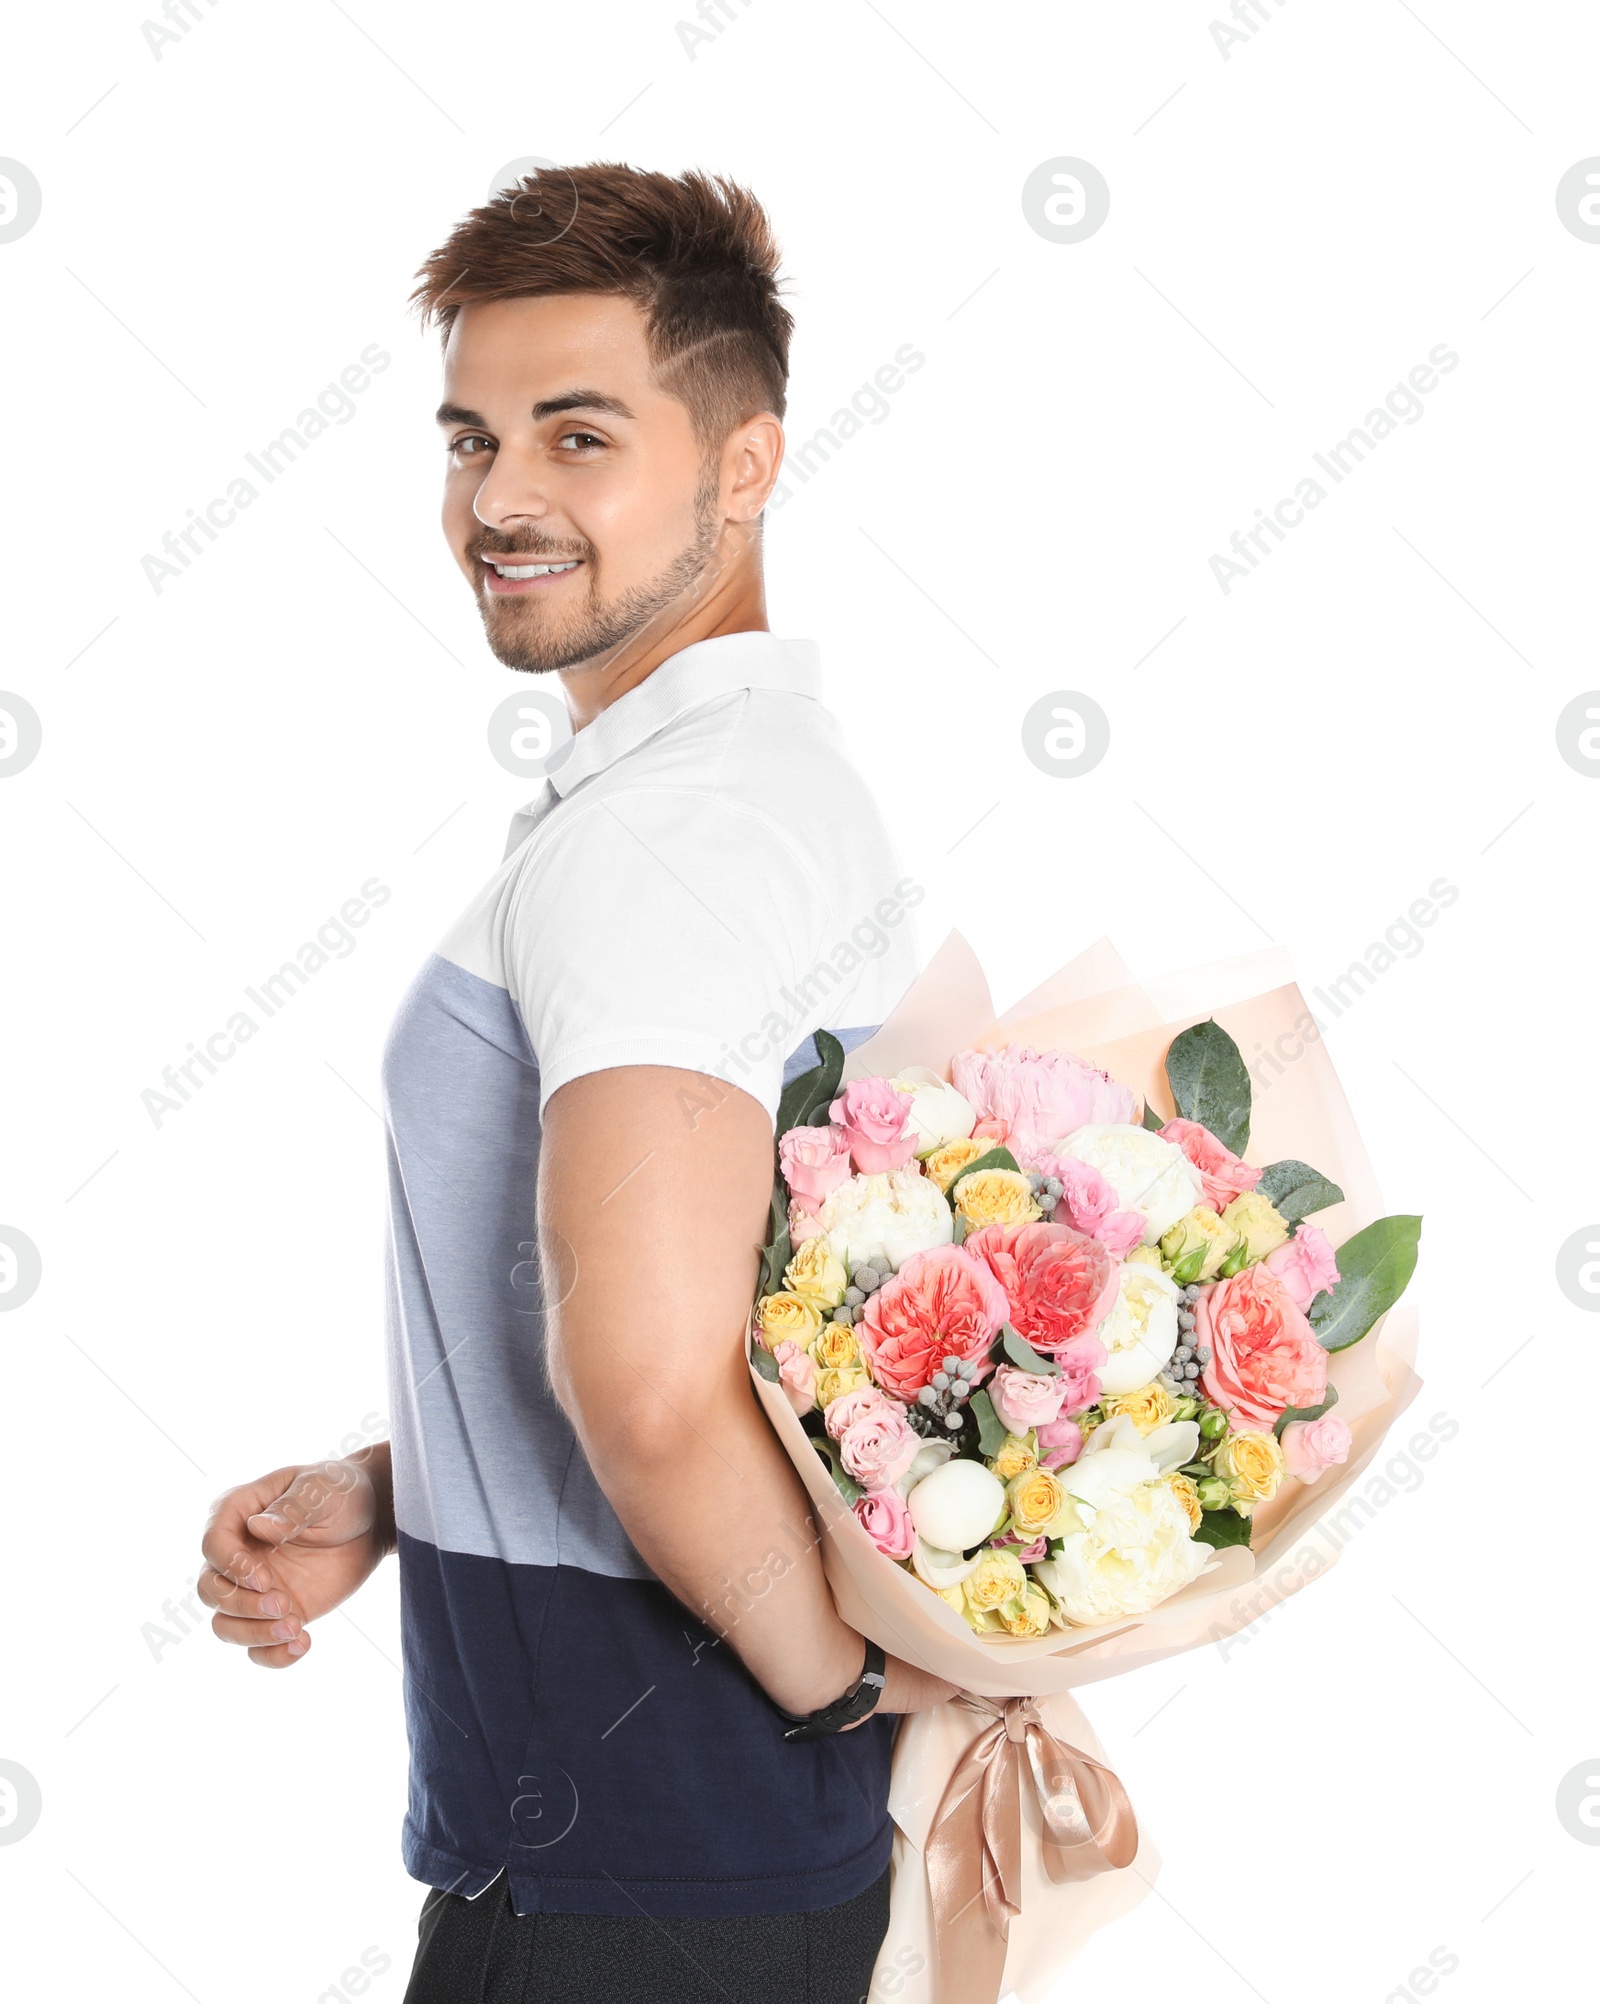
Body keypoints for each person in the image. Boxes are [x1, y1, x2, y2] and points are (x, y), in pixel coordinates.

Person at [196, 162, 957, 2003]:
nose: (500, 499)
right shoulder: (768, 787)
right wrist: (403, 1479)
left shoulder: (665, 841)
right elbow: (714, 1310)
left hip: (628, 1884)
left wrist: (843, 1682)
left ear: (745, 463)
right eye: (470, 439)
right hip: (708, 1872)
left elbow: (639, 1383)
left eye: (580, 435)